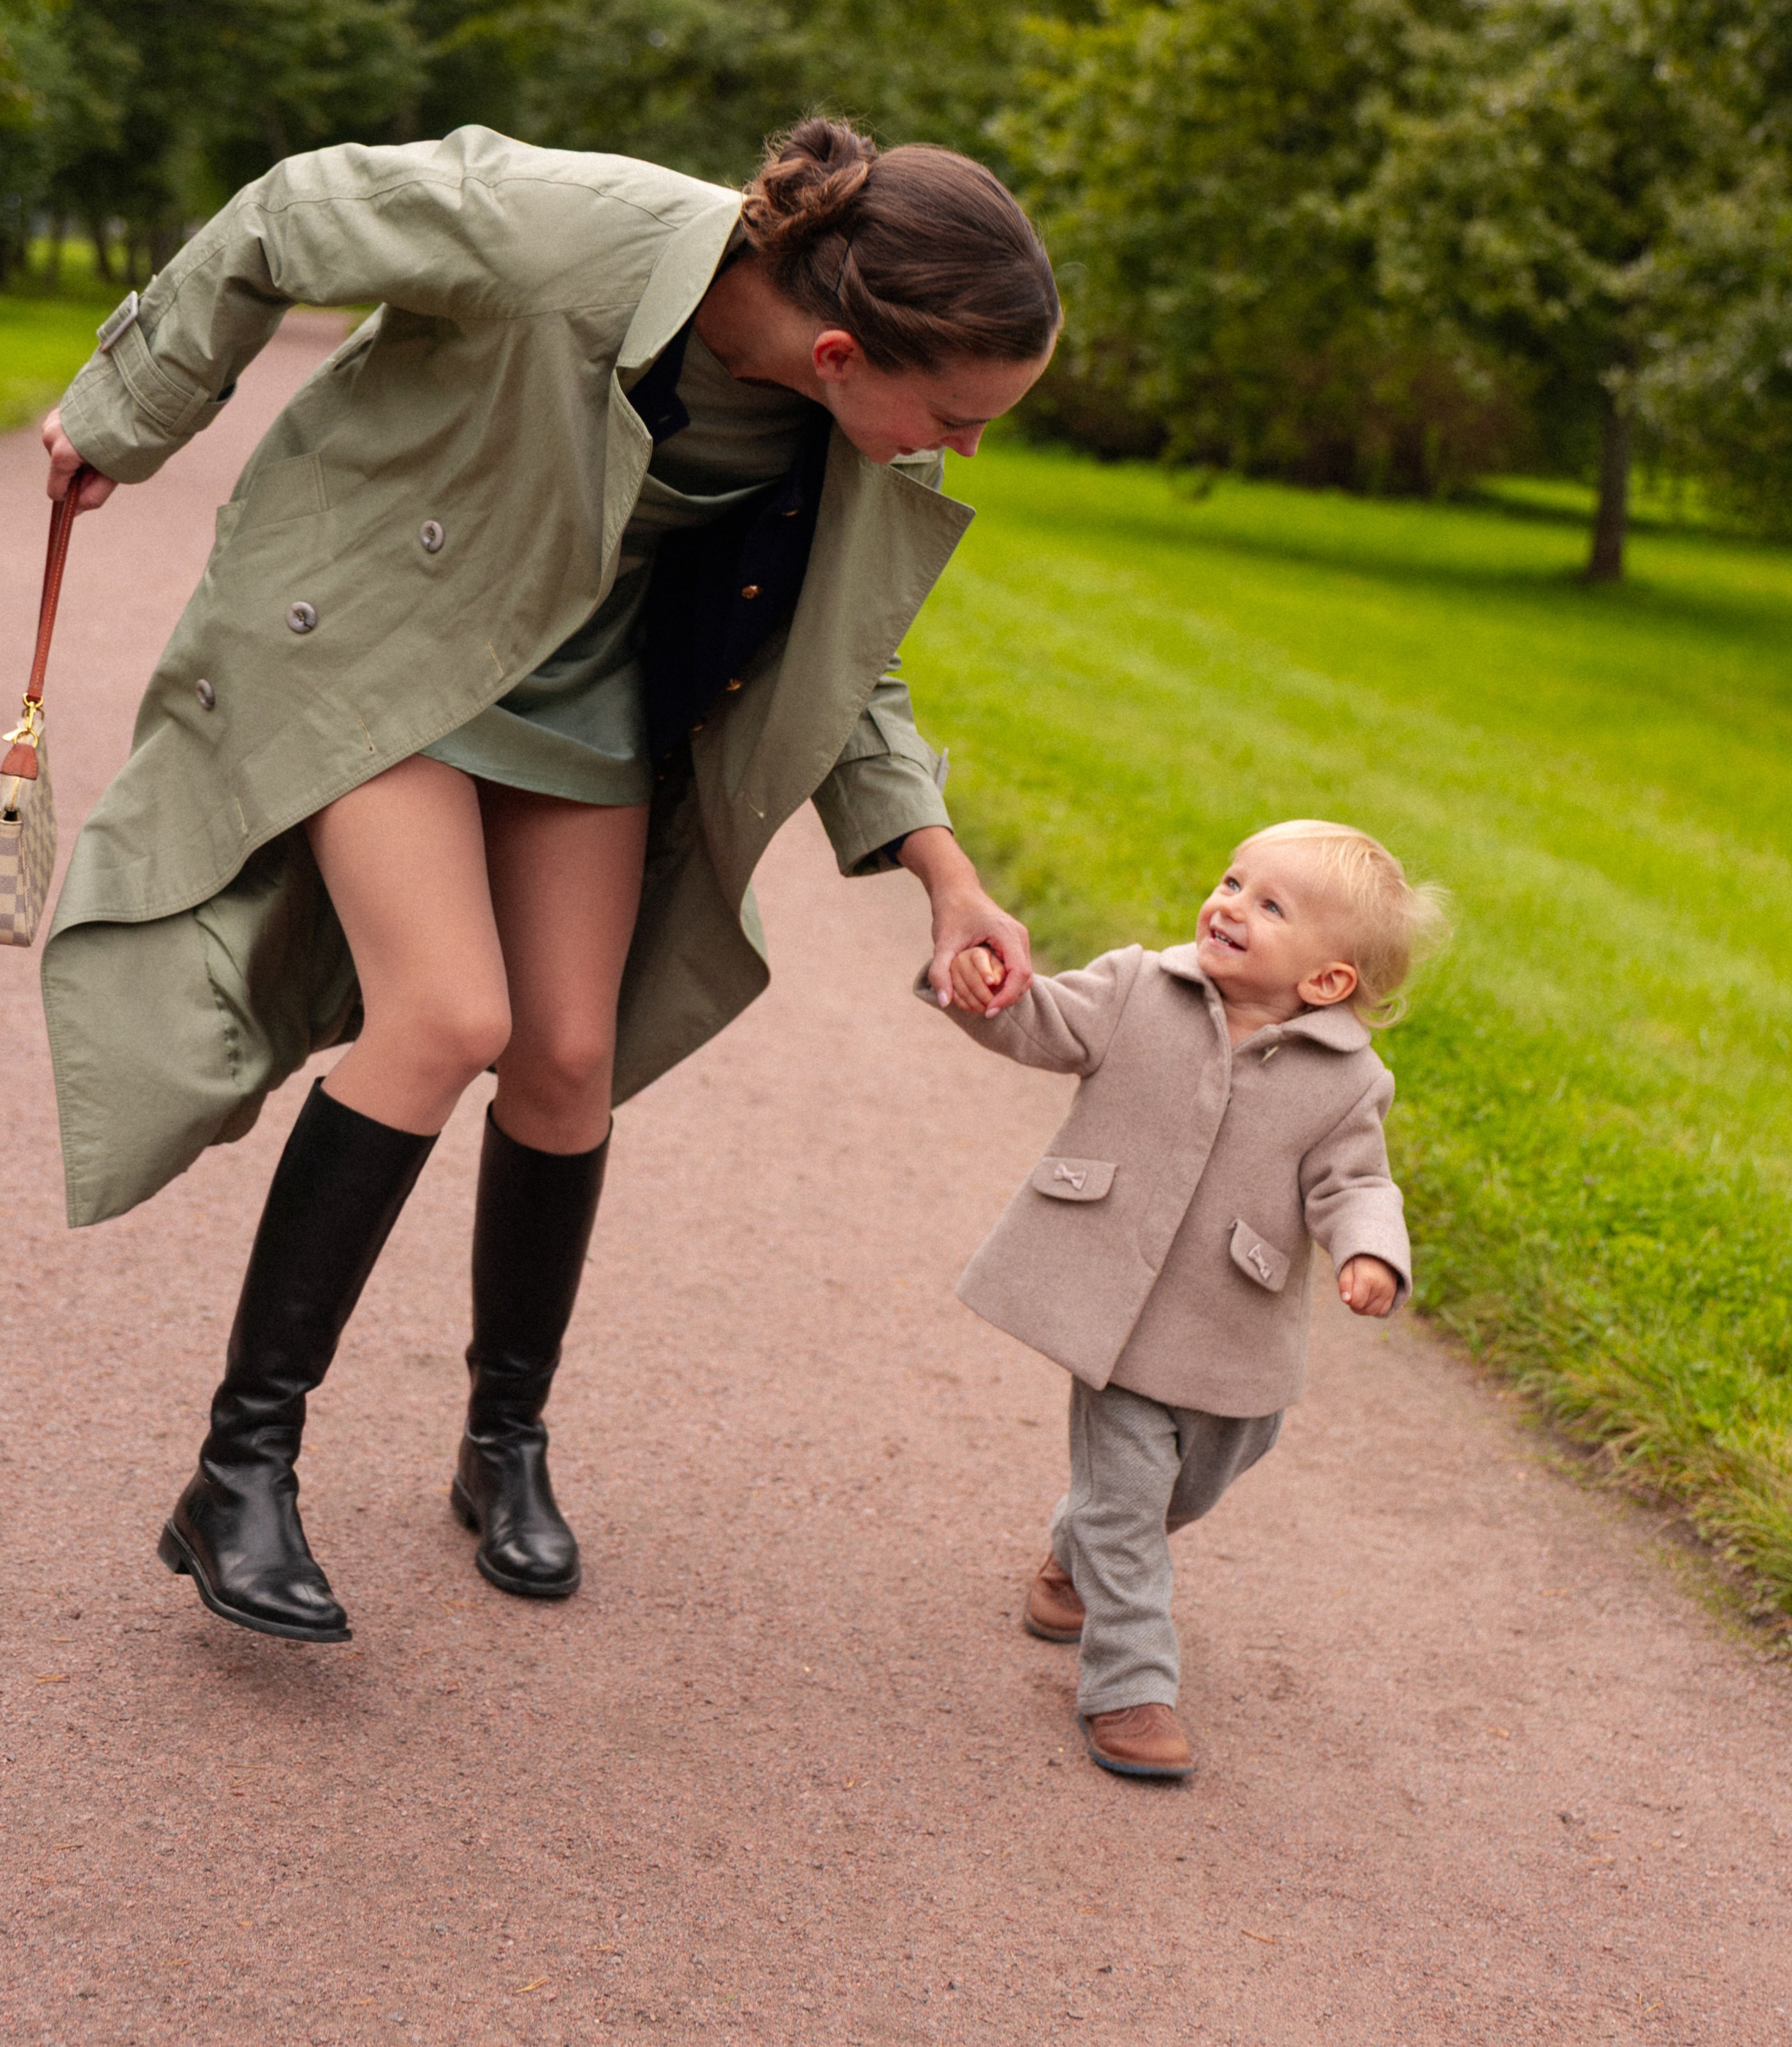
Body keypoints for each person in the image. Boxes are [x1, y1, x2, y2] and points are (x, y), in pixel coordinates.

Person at [39, 115, 1055, 1645]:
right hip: (390, 634)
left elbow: (844, 653)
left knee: (569, 1055)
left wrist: (942, 872)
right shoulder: (561, 228)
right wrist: (127, 409)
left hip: (583, 694)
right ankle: (240, 1468)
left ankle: (502, 1440)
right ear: (844, 348)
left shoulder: (825, 425)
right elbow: (290, 209)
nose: (964, 449)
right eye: (959, 415)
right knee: (447, 1014)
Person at [921, 819, 1447, 1779]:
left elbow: (1357, 1185)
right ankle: (1131, 1687)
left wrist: (1371, 1252)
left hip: (1231, 1336)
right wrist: (978, 991)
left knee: (1183, 1489)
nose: (1230, 902)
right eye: (1231, 878)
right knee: (1127, 1502)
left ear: (1329, 981)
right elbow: (1040, 1021)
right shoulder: (1138, 989)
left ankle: (1074, 1561)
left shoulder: (1348, 1080)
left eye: (1270, 903)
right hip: (1114, 1324)